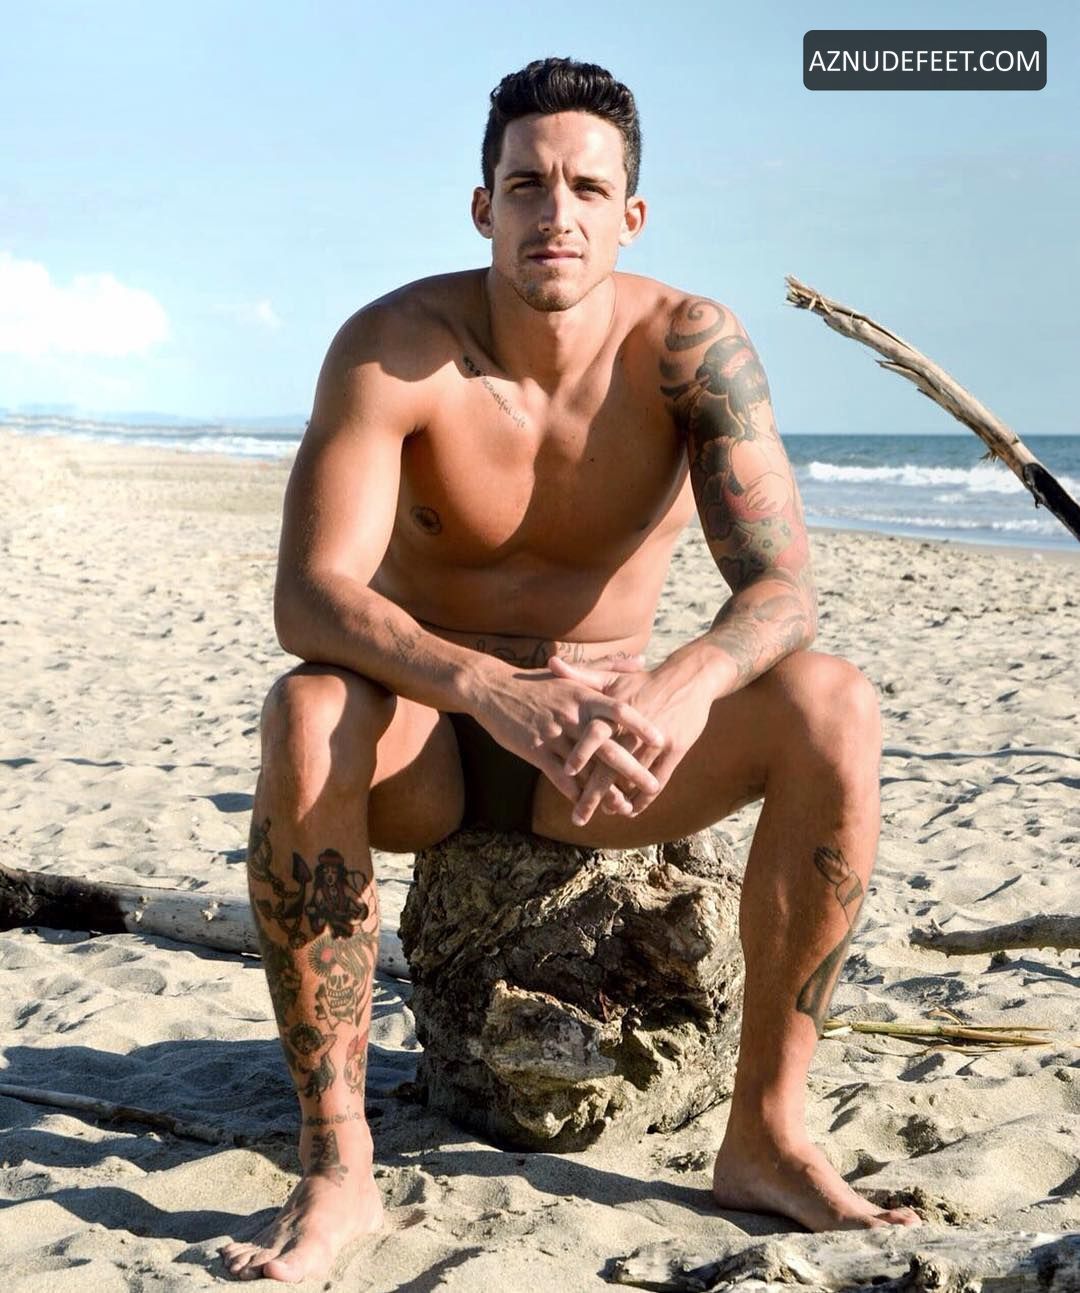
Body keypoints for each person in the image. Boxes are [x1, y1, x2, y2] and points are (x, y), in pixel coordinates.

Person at [220, 56, 918, 1284]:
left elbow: (783, 590)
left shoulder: (689, 347)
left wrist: (682, 681)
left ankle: (768, 1137)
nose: (558, 214)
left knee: (835, 704)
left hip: (602, 761)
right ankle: (337, 1166)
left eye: (588, 189)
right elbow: (309, 597)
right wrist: (489, 689)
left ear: (630, 214)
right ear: (481, 207)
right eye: (527, 186)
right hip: (430, 747)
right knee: (309, 706)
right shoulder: (394, 348)